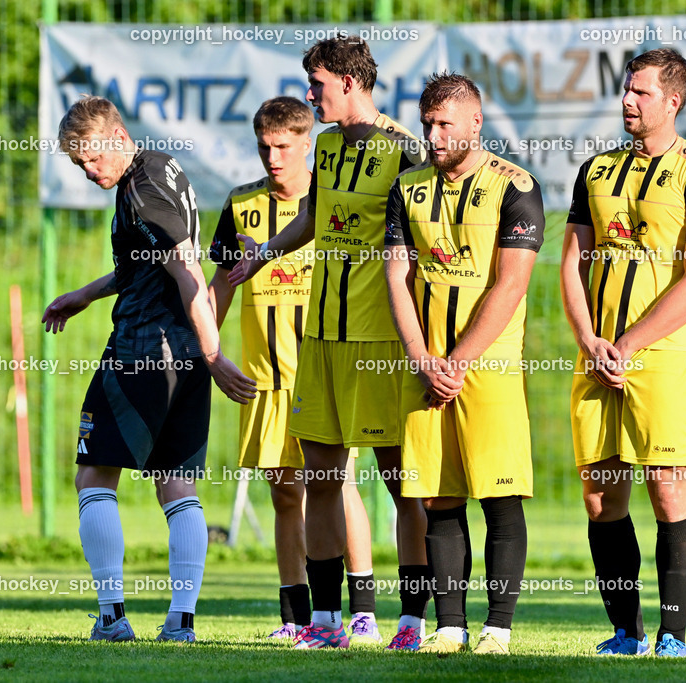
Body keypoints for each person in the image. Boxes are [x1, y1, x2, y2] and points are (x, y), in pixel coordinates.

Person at [229, 37, 430, 651]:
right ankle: (325, 623)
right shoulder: (328, 147)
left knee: (402, 481)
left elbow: (422, 246)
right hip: (320, 336)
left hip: (378, 342)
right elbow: (315, 215)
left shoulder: (405, 151)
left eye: (316, 84)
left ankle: (413, 622)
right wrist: (265, 252)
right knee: (320, 477)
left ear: (348, 81)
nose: (310, 94)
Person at [42, 95, 256, 644]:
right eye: (77, 165)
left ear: (117, 137)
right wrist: (84, 296)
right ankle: (180, 623)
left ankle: (111, 617)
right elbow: (148, 264)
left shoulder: (141, 189)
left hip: (143, 349)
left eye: (91, 159)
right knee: (176, 483)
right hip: (182, 351)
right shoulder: (161, 170)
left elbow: (186, 269)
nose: (89, 172)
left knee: (93, 475)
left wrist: (215, 355)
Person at [560, 48, 686, 658]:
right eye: (626, 91)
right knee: (601, 495)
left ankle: (672, 635)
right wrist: (589, 340)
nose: (628, 101)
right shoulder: (595, 171)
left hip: (662, 357)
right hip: (597, 352)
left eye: (641, 92)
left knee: (668, 487)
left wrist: (631, 342)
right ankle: (624, 631)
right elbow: (572, 262)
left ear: (673, 101)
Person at [207, 96, 384, 641]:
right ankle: (297, 618)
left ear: (307, 144)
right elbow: (220, 285)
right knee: (285, 493)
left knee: (336, 483)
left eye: (283, 147)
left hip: (324, 371)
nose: (273, 158)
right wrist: (211, 353)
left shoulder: (333, 201)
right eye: (264, 147)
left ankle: (362, 608)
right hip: (264, 378)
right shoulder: (241, 205)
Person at [384, 72, 544, 655]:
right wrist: (422, 358)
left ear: (476, 123)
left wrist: (457, 360)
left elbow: (511, 284)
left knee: (500, 496)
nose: (434, 134)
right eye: (428, 124)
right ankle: (450, 626)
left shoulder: (516, 186)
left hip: (488, 365)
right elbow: (397, 276)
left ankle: (497, 627)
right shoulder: (407, 188)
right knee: (437, 497)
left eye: (445, 123)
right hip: (426, 368)